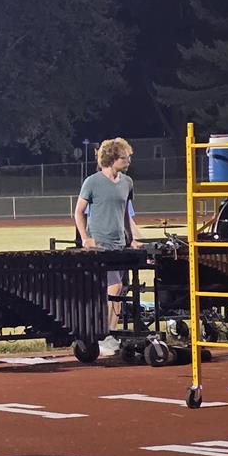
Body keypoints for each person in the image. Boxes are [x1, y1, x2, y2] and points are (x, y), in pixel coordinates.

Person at [73, 137, 142, 328]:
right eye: (125, 157)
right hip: (100, 245)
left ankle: (110, 333)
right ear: (113, 158)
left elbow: (126, 214)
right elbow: (78, 212)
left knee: (121, 289)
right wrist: (86, 238)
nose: (128, 161)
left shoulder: (127, 182)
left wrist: (132, 239)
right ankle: (106, 333)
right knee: (114, 286)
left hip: (119, 244)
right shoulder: (92, 182)